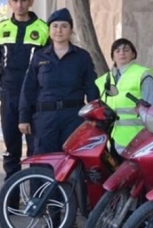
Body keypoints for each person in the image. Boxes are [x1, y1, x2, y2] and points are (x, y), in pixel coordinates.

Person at [0, 0, 49, 182]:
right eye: (15, 0)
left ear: (31, 1)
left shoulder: (44, 29)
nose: (20, 4)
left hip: (35, 98)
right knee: (11, 149)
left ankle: (35, 198)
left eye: (23, 0)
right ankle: (10, 199)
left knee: (35, 150)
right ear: (10, 3)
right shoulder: (1, 28)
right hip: (9, 95)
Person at [18, 8, 99, 155]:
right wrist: (23, 117)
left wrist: (94, 117)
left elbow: (91, 88)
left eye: (64, 26)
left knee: (72, 161)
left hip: (73, 117)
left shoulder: (82, 57)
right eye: (55, 26)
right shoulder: (40, 57)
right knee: (43, 160)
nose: (59, 30)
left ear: (70, 30)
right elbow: (28, 88)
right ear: (49, 30)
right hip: (45, 118)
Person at [94, 38, 153, 153]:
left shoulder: (142, 74)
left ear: (133, 54)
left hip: (135, 136)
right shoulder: (103, 80)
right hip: (110, 137)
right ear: (112, 56)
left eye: (126, 50)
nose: (122, 53)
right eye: (117, 51)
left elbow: (151, 108)